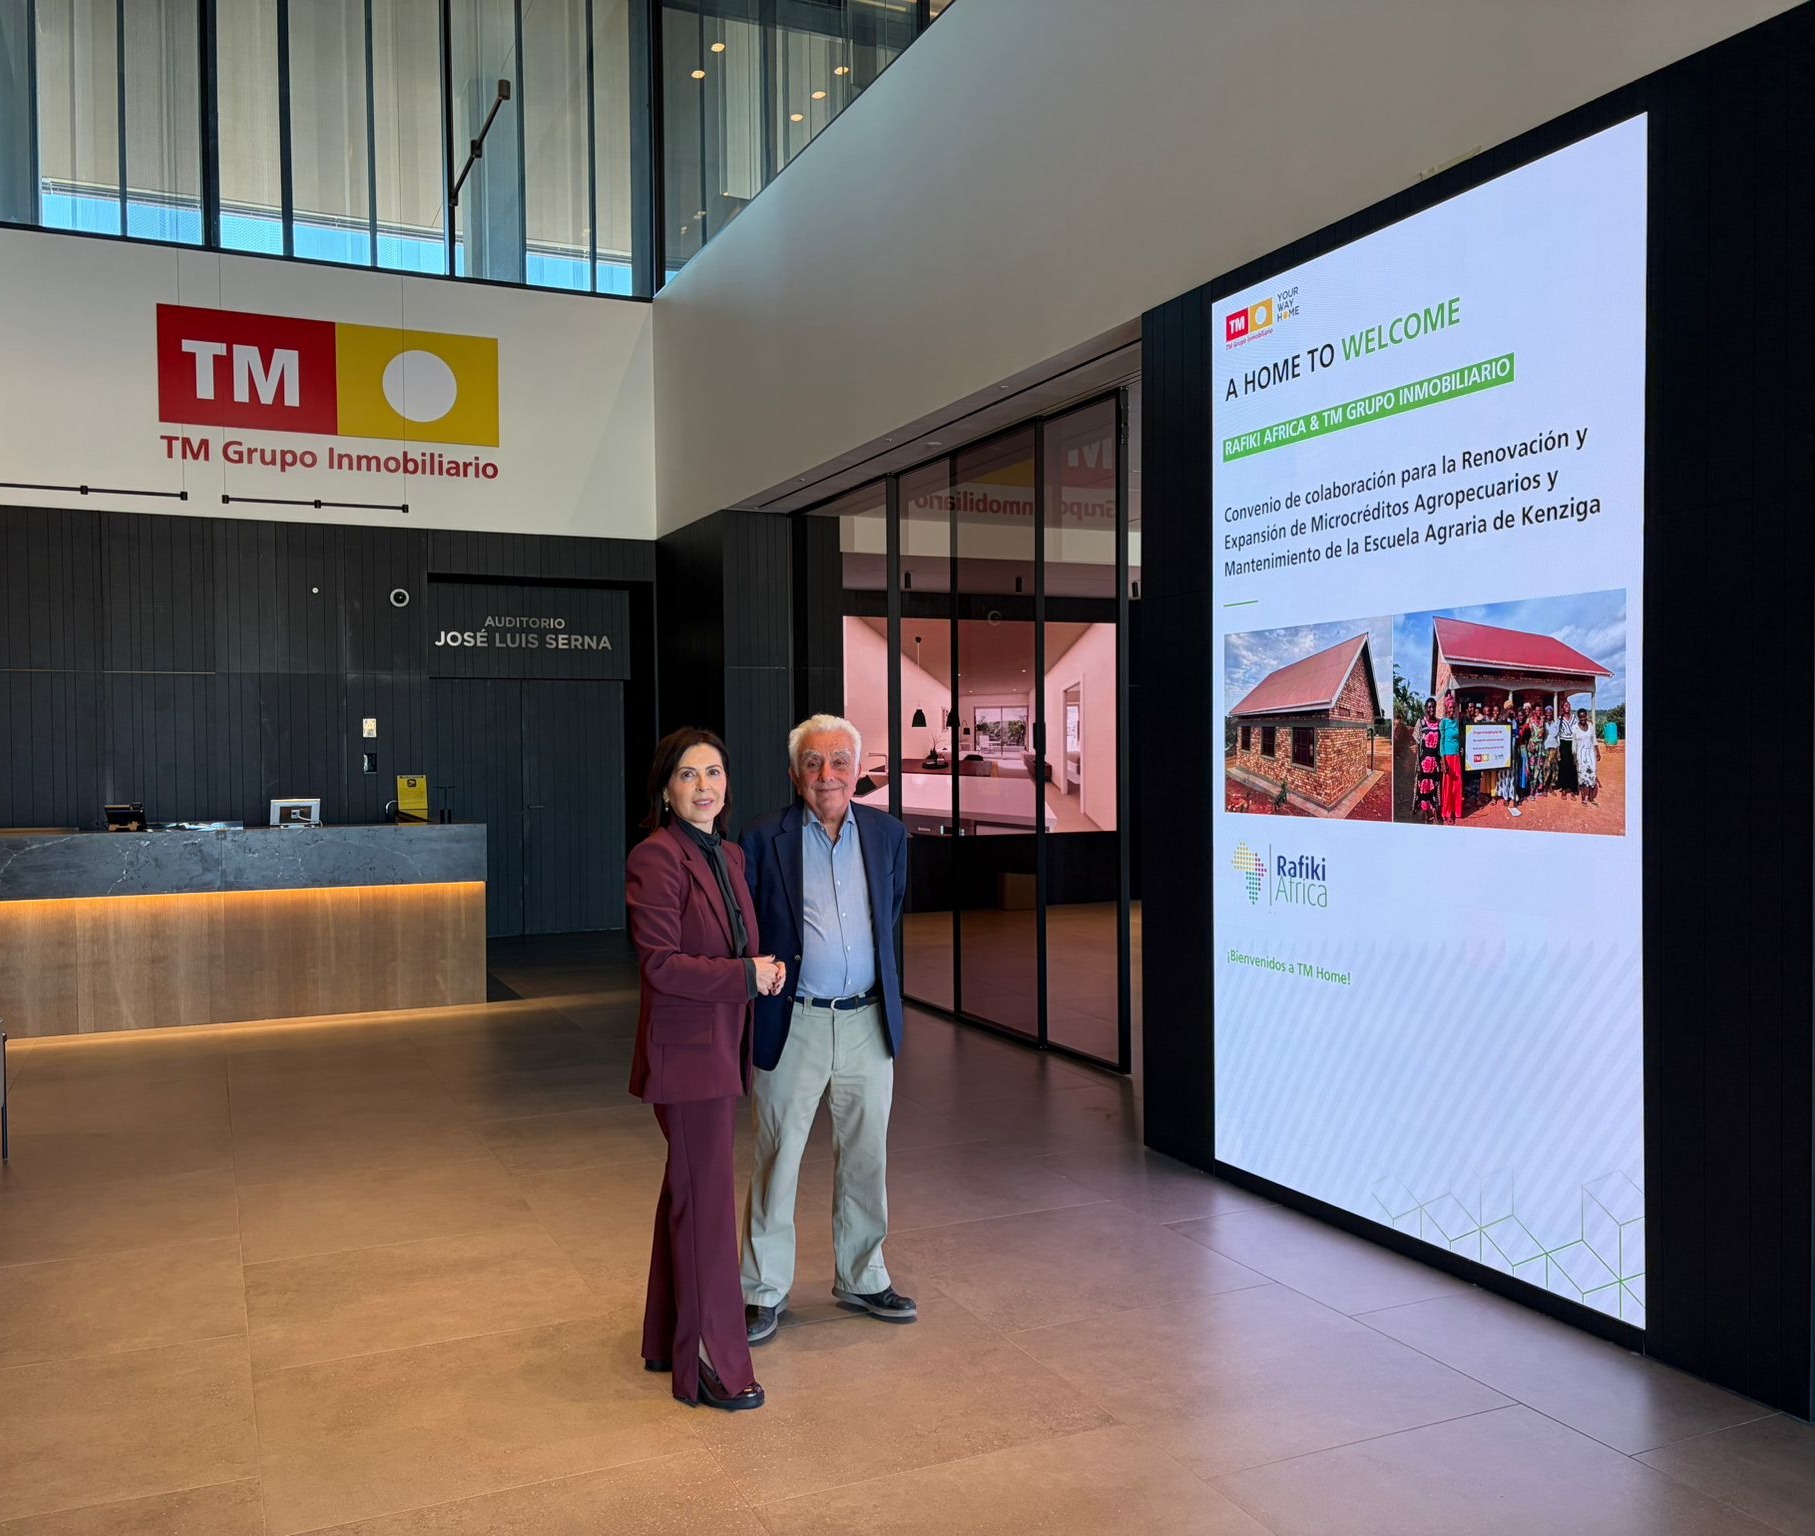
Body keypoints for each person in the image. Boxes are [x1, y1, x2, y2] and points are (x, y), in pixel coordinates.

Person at [740, 713, 914, 1344]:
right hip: (795, 1021)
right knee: (778, 1157)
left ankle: (864, 1277)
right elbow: (747, 927)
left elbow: (891, 915)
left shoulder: (889, 835)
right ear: (795, 775)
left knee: (867, 1156)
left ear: (858, 770)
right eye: (813, 763)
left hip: (868, 1020)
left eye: (840, 761)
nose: (827, 774)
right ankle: (762, 1291)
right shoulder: (764, 837)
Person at [626, 727, 786, 1412]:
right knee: (709, 1211)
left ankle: (665, 1337)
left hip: (721, 1045)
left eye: (713, 772)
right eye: (688, 774)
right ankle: (715, 1363)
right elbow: (660, 965)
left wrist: (757, 971)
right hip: (688, 1057)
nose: (703, 786)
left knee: (688, 1195)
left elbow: (732, 941)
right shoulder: (655, 857)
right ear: (666, 789)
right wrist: (746, 976)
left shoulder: (728, 853)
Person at [1412, 697, 1441, 825]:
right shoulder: (1420, 722)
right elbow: (1417, 744)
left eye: (1433, 706)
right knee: (1423, 788)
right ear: (1425, 708)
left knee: (1434, 787)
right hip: (1423, 762)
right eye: (1429, 707)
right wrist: (1418, 762)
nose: (1431, 709)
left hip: (1435, 762)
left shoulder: (1439, 723)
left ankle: (1434, 812)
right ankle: (1425, 812)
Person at [1438, 692, 1464, 826]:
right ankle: (1447, 813)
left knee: (1457, 785)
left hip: (1456, 757)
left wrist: (1460, 748)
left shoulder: (1456, 723)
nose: (1452, 710)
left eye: (1454, 707)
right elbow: (1441, 742)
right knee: (1448, 786)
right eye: (1450, 707)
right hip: (1447, 758)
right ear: (1446, 709)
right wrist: (1443, 761)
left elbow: (1458, 739)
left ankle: (1456, 810)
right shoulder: (1443, 723)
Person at [1496, 701, 1522, 817]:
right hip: (1505, 750)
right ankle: (1505, 796)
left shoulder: (1515, 720)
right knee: (1504, 773)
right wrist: (1507, 714)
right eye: (1509, 708)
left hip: (1514, 749)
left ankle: (1512, 794)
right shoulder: (1504, 718)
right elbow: (1502, 723)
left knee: (1512, 773)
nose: (1511, 710)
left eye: (1512, 708)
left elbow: (1518, 733)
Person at [1571, 707, 1600, 805]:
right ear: (1578, 717)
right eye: (1581, 717)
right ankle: (1584, 798)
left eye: (1584, 716)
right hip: (1581, 755)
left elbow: (1594, 739)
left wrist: (1598, 752)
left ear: (1586, 716)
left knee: (1592, 775)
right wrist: (1574, 757)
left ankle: (1591, 798)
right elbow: (1574, 744)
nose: (1583, 719)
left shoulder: (1591, 726)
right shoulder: (1575, 728)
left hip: (1591, 754)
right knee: (1583, 776)